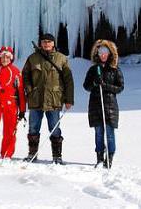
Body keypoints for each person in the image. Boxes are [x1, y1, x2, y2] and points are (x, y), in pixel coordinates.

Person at [22, 33, 74, 164]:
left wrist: (69, 99)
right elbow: (25, 75)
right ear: (41, 44)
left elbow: (68, 80)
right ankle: (32, 154)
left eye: (49, 42)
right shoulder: (32, 58)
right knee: (33, 128)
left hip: (54, 99)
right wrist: (29, 90)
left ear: (53, 44)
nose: (46, 44)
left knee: (55, 128)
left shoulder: (61, 59)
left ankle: (57, 156)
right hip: (36, 99)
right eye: (44, 42)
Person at [83, 39, 124, 169]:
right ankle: (100, 157)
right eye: (100, 51)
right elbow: (86, 86)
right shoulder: (93, 69)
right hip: (96, 105)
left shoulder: (115, 69)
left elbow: (120, 87)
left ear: (110, 53)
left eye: (105, 51)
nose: (103, 54)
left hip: (110, 106)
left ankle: (109, 157)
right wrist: (95, 83)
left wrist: (105, 86)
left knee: (110, 133)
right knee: (99, 132)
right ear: (97, 53)